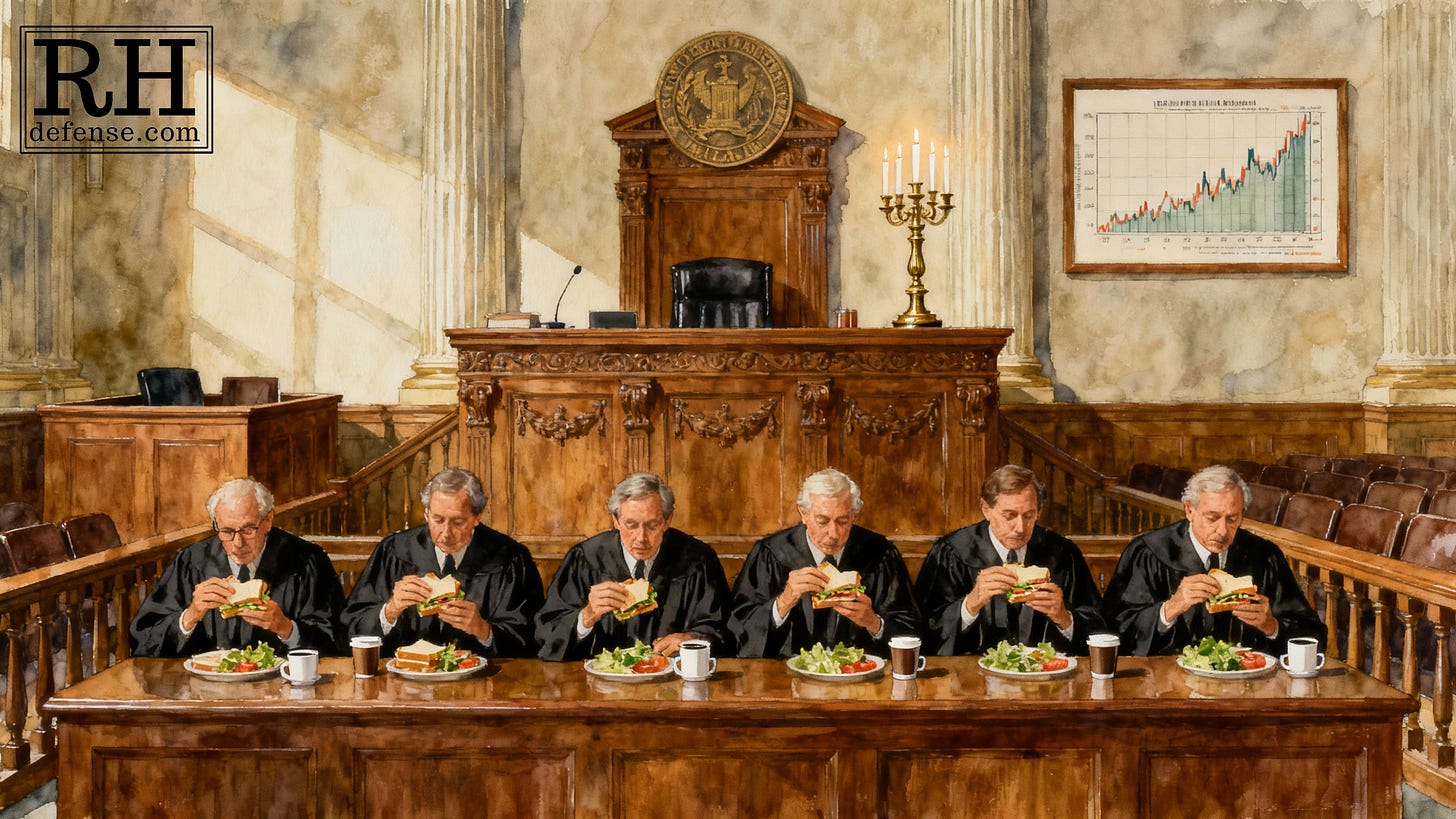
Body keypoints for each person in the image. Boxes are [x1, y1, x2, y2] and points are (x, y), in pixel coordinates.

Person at [1102, 464, 1324, 655]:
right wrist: (1170, 608)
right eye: (1212, 517)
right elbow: (1111, 632)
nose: (1222, 530)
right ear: (1189, 510)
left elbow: (1313, 635)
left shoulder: (1264, 555)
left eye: (1232, 519)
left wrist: (1272, 626)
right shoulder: (1148, 551)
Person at [130, 478, 345, 657]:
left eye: (248, 529)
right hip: (207, 692)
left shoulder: (307, 560)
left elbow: (339, 641)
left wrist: (288, 629)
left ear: (268, 520)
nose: (237, 544)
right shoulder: (192, 560)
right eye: (226, 531)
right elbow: (142, 639)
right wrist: (190, 615)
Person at [341, 467, 544, 657]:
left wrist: (484, 630)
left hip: (481, 684)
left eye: (457, 522)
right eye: (438, 520)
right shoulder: (395, 550)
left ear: (477, 517)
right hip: (406, 683)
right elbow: (349, 628)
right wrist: (390, 610)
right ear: (426, 513)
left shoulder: (510, 558)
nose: (446, 534)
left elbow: (534, 639)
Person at [915, 464, 1107, 656]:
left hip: (1044, 677)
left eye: (1029, 516)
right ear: (986, 509)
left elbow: (1100, 628)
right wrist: (969, 605)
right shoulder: (952, 551)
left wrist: (1066, 619)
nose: (1020, 528)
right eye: (1010, 515)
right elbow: (923, 631)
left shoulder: (1062, 553)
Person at [536, 473, 732, 660]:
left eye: (652, 525)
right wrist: (585, 617)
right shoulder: (585, 558)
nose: (641, 538)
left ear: (667, 520)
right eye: (631, 525)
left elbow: (721, 629)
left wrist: (692, 640)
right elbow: (546, 633)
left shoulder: (698, 560)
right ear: (615, 521)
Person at [729, 468, 920, 657]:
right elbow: (738, 630)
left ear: (854, 515)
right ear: (803, 513)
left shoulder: (880, 553)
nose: (833, 534)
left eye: (843, 521)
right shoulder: (771, 552)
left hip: (860, 678)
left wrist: (874, 623)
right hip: (786, 677)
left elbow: (912, 629)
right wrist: (783, 602)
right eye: (822, 521)